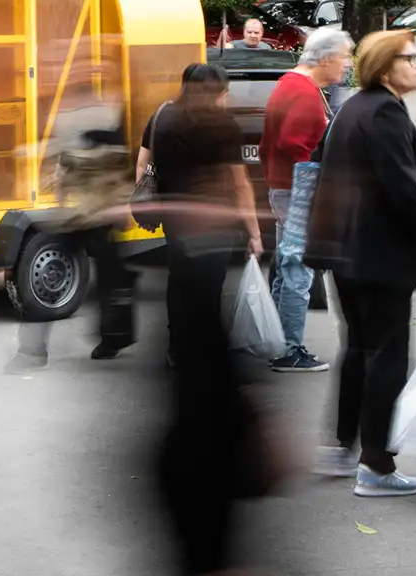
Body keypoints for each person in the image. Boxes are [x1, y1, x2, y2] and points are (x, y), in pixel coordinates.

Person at [307, 30, 416, 498]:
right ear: (384, 67)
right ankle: (375, 466)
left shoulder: (356, 108)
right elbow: (404, 192)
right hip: (378, 258)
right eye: (411, 58)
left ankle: (343, 450)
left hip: (351, 254)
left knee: (359, 351)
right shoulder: (381, 112)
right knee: (386, 358)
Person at [148, 63, 262, 574]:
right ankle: (197, 363)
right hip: (210, 228)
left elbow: (143, 165)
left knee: (180, 289)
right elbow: (237, 182)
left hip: (178, 224)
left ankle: (179, 350)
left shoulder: (164, 117)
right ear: (216, 92)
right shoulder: (221, 128)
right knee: (209, 301)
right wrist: (253, 230)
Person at [8, 61, 136, 372]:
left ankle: (33, 351)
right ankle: (111, 338)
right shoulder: (103, 114)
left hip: (88, 211)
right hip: (94, 211)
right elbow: (113, 163)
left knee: (109, 277)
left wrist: (64, 195)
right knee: (111, 276)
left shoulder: (80, 116)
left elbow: (77, 162)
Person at [259, 28, 352, 372]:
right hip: (297, 190)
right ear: (326, 58)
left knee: (287, 267)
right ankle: (289, 348)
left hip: (283, 187)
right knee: (298, 270)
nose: (346, 65)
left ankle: (280, 341)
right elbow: (292, 145)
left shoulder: (290, 83)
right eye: (343, 57)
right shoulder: (304, 92)